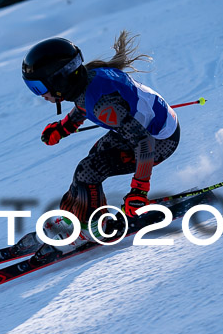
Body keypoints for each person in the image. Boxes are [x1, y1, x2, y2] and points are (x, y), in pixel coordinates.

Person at [21, 31, 180, 253]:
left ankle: (93, 228)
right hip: (141, 130)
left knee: (88, 170)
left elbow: (144, 143)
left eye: (39, 88)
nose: (41, 96)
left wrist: (139, 191)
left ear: (59, 80)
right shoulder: (86, 80)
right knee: (92, 159)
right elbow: (83, 104)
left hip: (159, 139)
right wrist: (65, 127)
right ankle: (76, 217)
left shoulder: (103, 105)